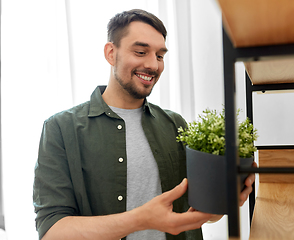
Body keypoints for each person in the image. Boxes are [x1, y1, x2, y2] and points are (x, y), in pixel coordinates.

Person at [33, 9, 255, 240]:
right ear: (111, 53)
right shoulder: (60, 128)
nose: (153, 65)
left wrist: (223, 199)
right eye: (141, 52)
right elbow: (52, 231)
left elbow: (202, 212)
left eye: (160, 56)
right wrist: (141, 219)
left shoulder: (175, 124)